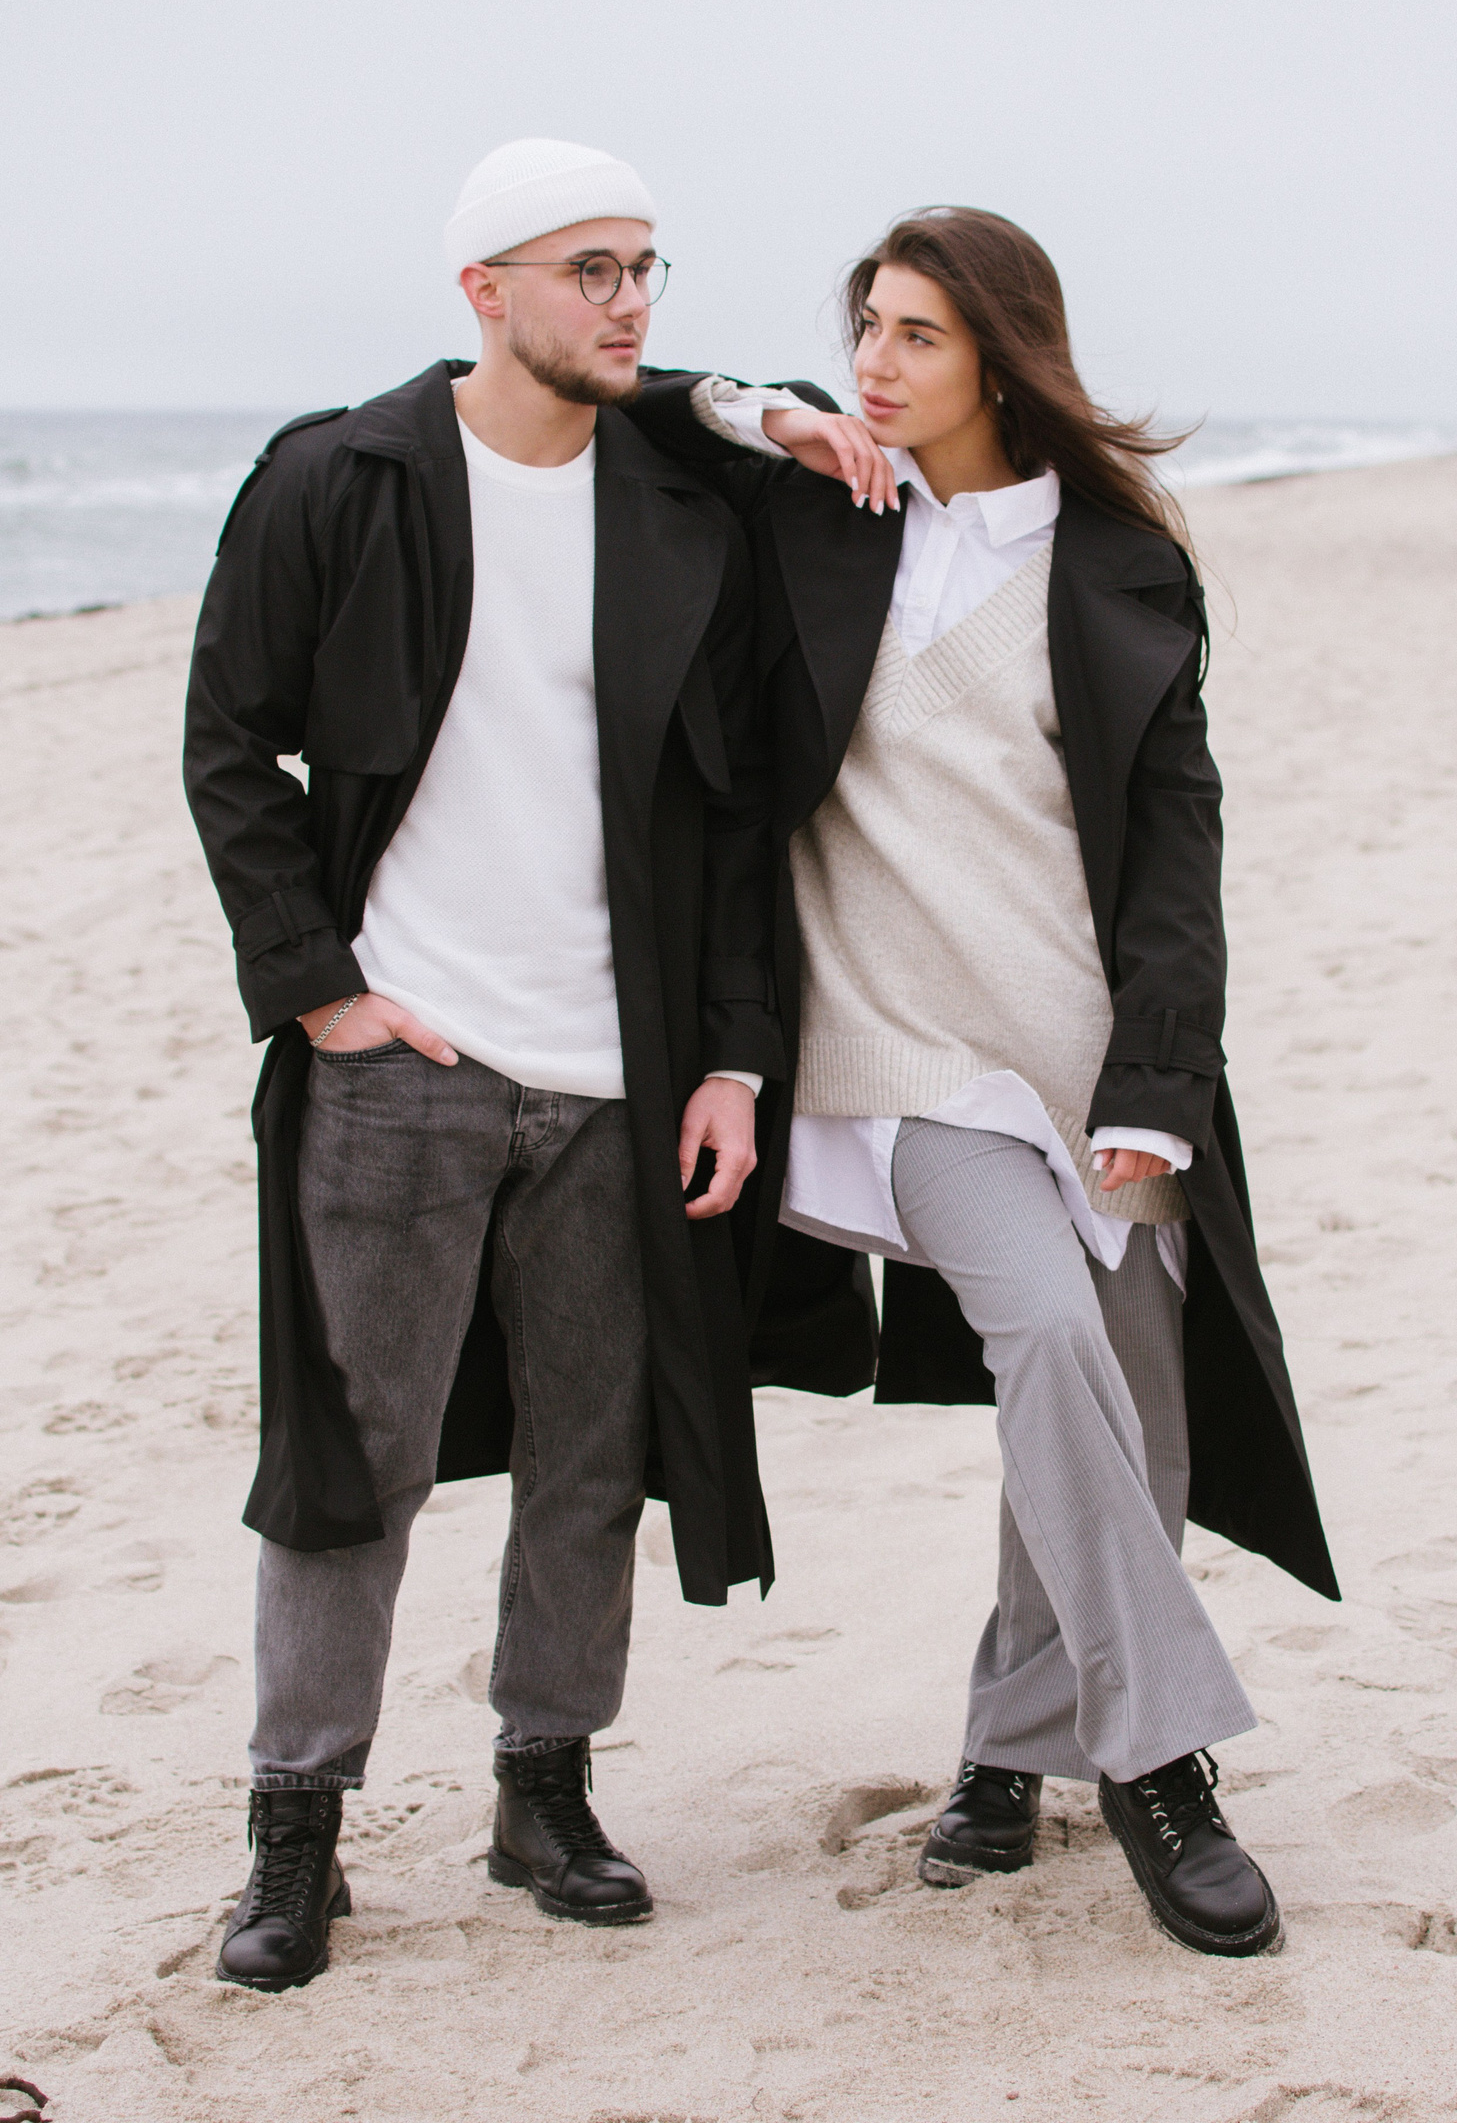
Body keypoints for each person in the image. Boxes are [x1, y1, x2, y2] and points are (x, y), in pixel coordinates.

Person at [631, 207, 1338, 1960]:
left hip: (1091, 1063)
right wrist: (772, 415)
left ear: (1002, 363)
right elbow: (627, 400)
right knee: (1050, 1340)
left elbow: (1176, 851)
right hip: (903, 1056)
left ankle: (1008, 1756)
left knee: (1125, 1420)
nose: (875, 364)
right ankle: (1160, 1764)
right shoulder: (817, 511)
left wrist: (1157, 1085)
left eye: (918, 336)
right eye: (866, 327)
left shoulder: (1117, 565)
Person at [183, 140, 783, 1992]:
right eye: (590, 268)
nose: (629, 299)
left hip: (619, 1074)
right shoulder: (342, 478)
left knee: (590, 1453)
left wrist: (733, 1060)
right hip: (406, 1063)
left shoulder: (680, 499)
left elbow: (736, 816)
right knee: (351, 1460)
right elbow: (229, 742)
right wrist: (321, 995)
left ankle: (545, 1791)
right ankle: (298, 1828)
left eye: (647, 267)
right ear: (484, 290)